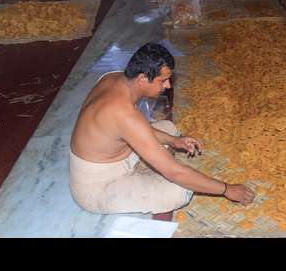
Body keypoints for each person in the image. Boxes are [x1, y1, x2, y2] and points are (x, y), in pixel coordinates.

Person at [70, 42, 256, 214]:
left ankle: (149, 164)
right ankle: (143, 173)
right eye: (163, 80)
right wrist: (227, 189)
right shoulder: (123, 114)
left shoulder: (113, 78)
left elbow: (132, 128)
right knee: (180, 191)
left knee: (168, 128)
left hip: (120, 153)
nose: (168, 85)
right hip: (98, 185)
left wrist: (174, 141)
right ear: (143, 79)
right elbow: (175, 172)